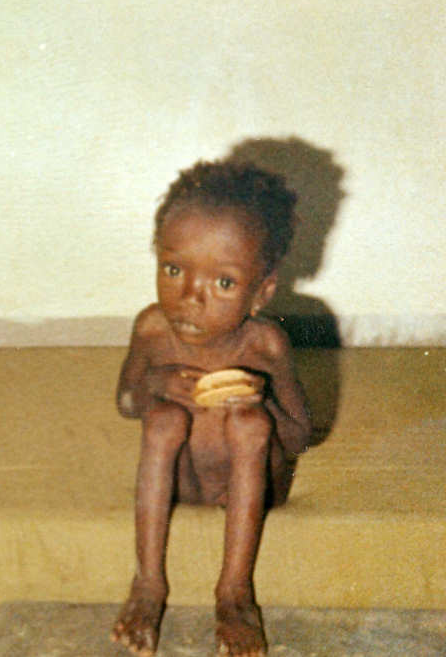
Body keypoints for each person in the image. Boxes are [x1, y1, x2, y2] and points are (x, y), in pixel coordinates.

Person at [110, 161, 312, 657]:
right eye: (173, 270)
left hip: (248, 486)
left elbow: (299, 437)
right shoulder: (153, 330)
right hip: (182, 480)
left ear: (261, 293)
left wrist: (262, 400)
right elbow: (126, 403)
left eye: (223, 283)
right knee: (162, 419)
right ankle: (147, 584)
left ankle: (235, 593)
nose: (189, 299)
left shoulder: (264, 346)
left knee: (249, 424)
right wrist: (155, 383)